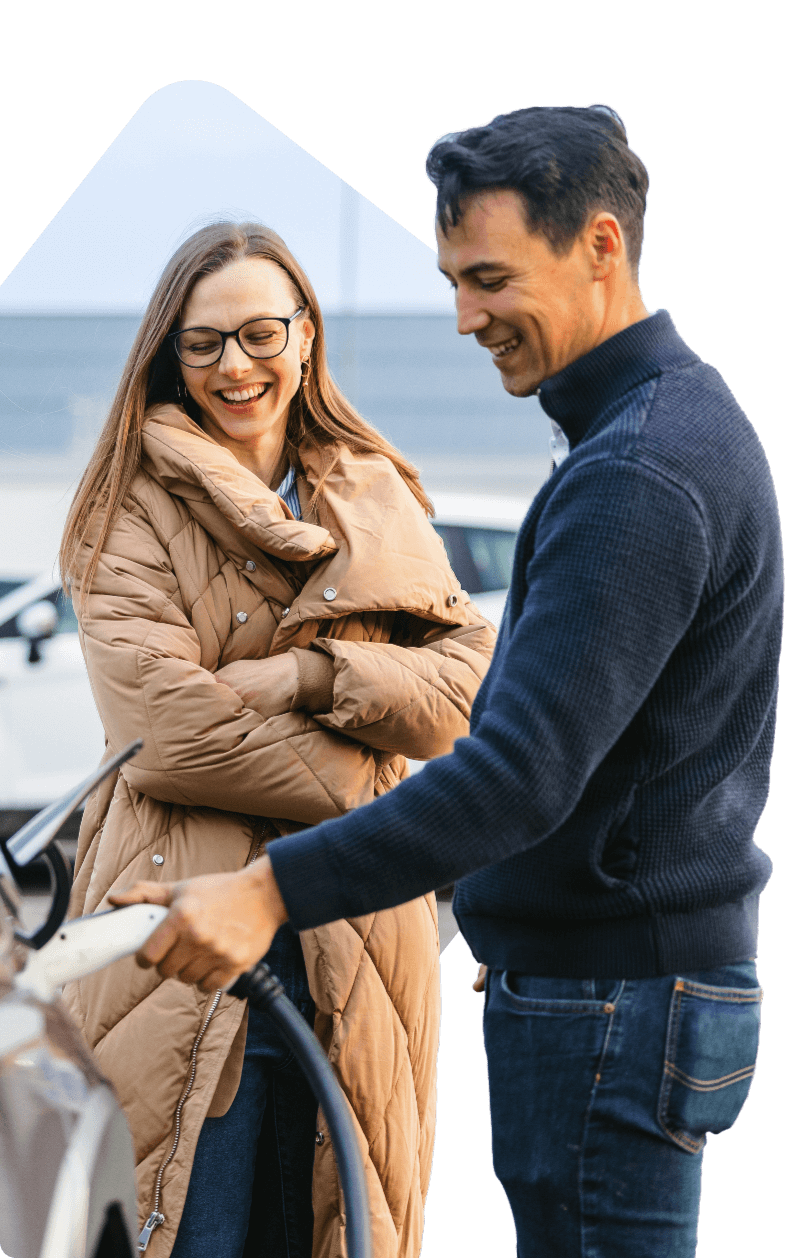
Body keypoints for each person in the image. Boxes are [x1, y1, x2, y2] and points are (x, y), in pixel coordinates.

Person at [113, 104, 781, 1258]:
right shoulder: (655, 429)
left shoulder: (636, 471)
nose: (465, 317)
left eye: (488, 279)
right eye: (451, 280)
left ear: (601, 246)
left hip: (610, 1002)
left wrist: (266, 890)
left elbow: (511, 767)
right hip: (620, 987)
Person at [59, 221, 496, 1257]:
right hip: (178, 955)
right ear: (171, 354)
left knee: (339, 1225)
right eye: (202, 343)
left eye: (259, 334)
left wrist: (310, 672)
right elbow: (168, 737)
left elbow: (462, 695)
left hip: (358, 958)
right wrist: (393, 805)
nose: (233, 367)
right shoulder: (130, 505)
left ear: (305, 337)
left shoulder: (377, 493)